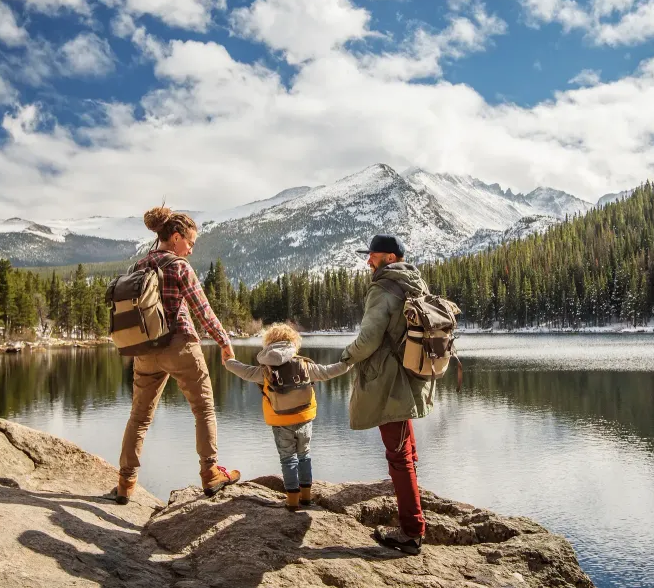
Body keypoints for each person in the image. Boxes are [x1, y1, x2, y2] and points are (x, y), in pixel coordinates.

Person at [113, 207, 240, 504]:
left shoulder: (139, 266)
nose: (191, 250)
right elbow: (203, 311)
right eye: (190, 243)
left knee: (139, 417)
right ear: (175, 237)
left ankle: (125, 482)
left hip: (145, 350)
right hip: (181, 345)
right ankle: (210, 474)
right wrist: (224, 342)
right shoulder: (179, 266)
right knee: (204, 409)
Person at [340, 234, 432, 555]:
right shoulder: (415, 282)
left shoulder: (383, 288)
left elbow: (367, 340)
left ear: (390, 258)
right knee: (407, 450)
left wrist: (346, 357)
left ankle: (411, 532)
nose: (369, 261)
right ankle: (414, 511)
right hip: (410, 378)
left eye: (374, 256)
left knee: (398, 456)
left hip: (388, 383)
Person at [224, 323, 351, 511]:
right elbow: (329, 371)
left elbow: (244, 371)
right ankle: (306, 497)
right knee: (304, 455)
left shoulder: (266, 370)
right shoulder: (305, 365)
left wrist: (228, 361)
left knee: (287, 459)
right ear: (293, 343)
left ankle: (292, 501)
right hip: (304, 417)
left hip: (280, 421)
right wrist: (349, 363)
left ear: (269, 343)